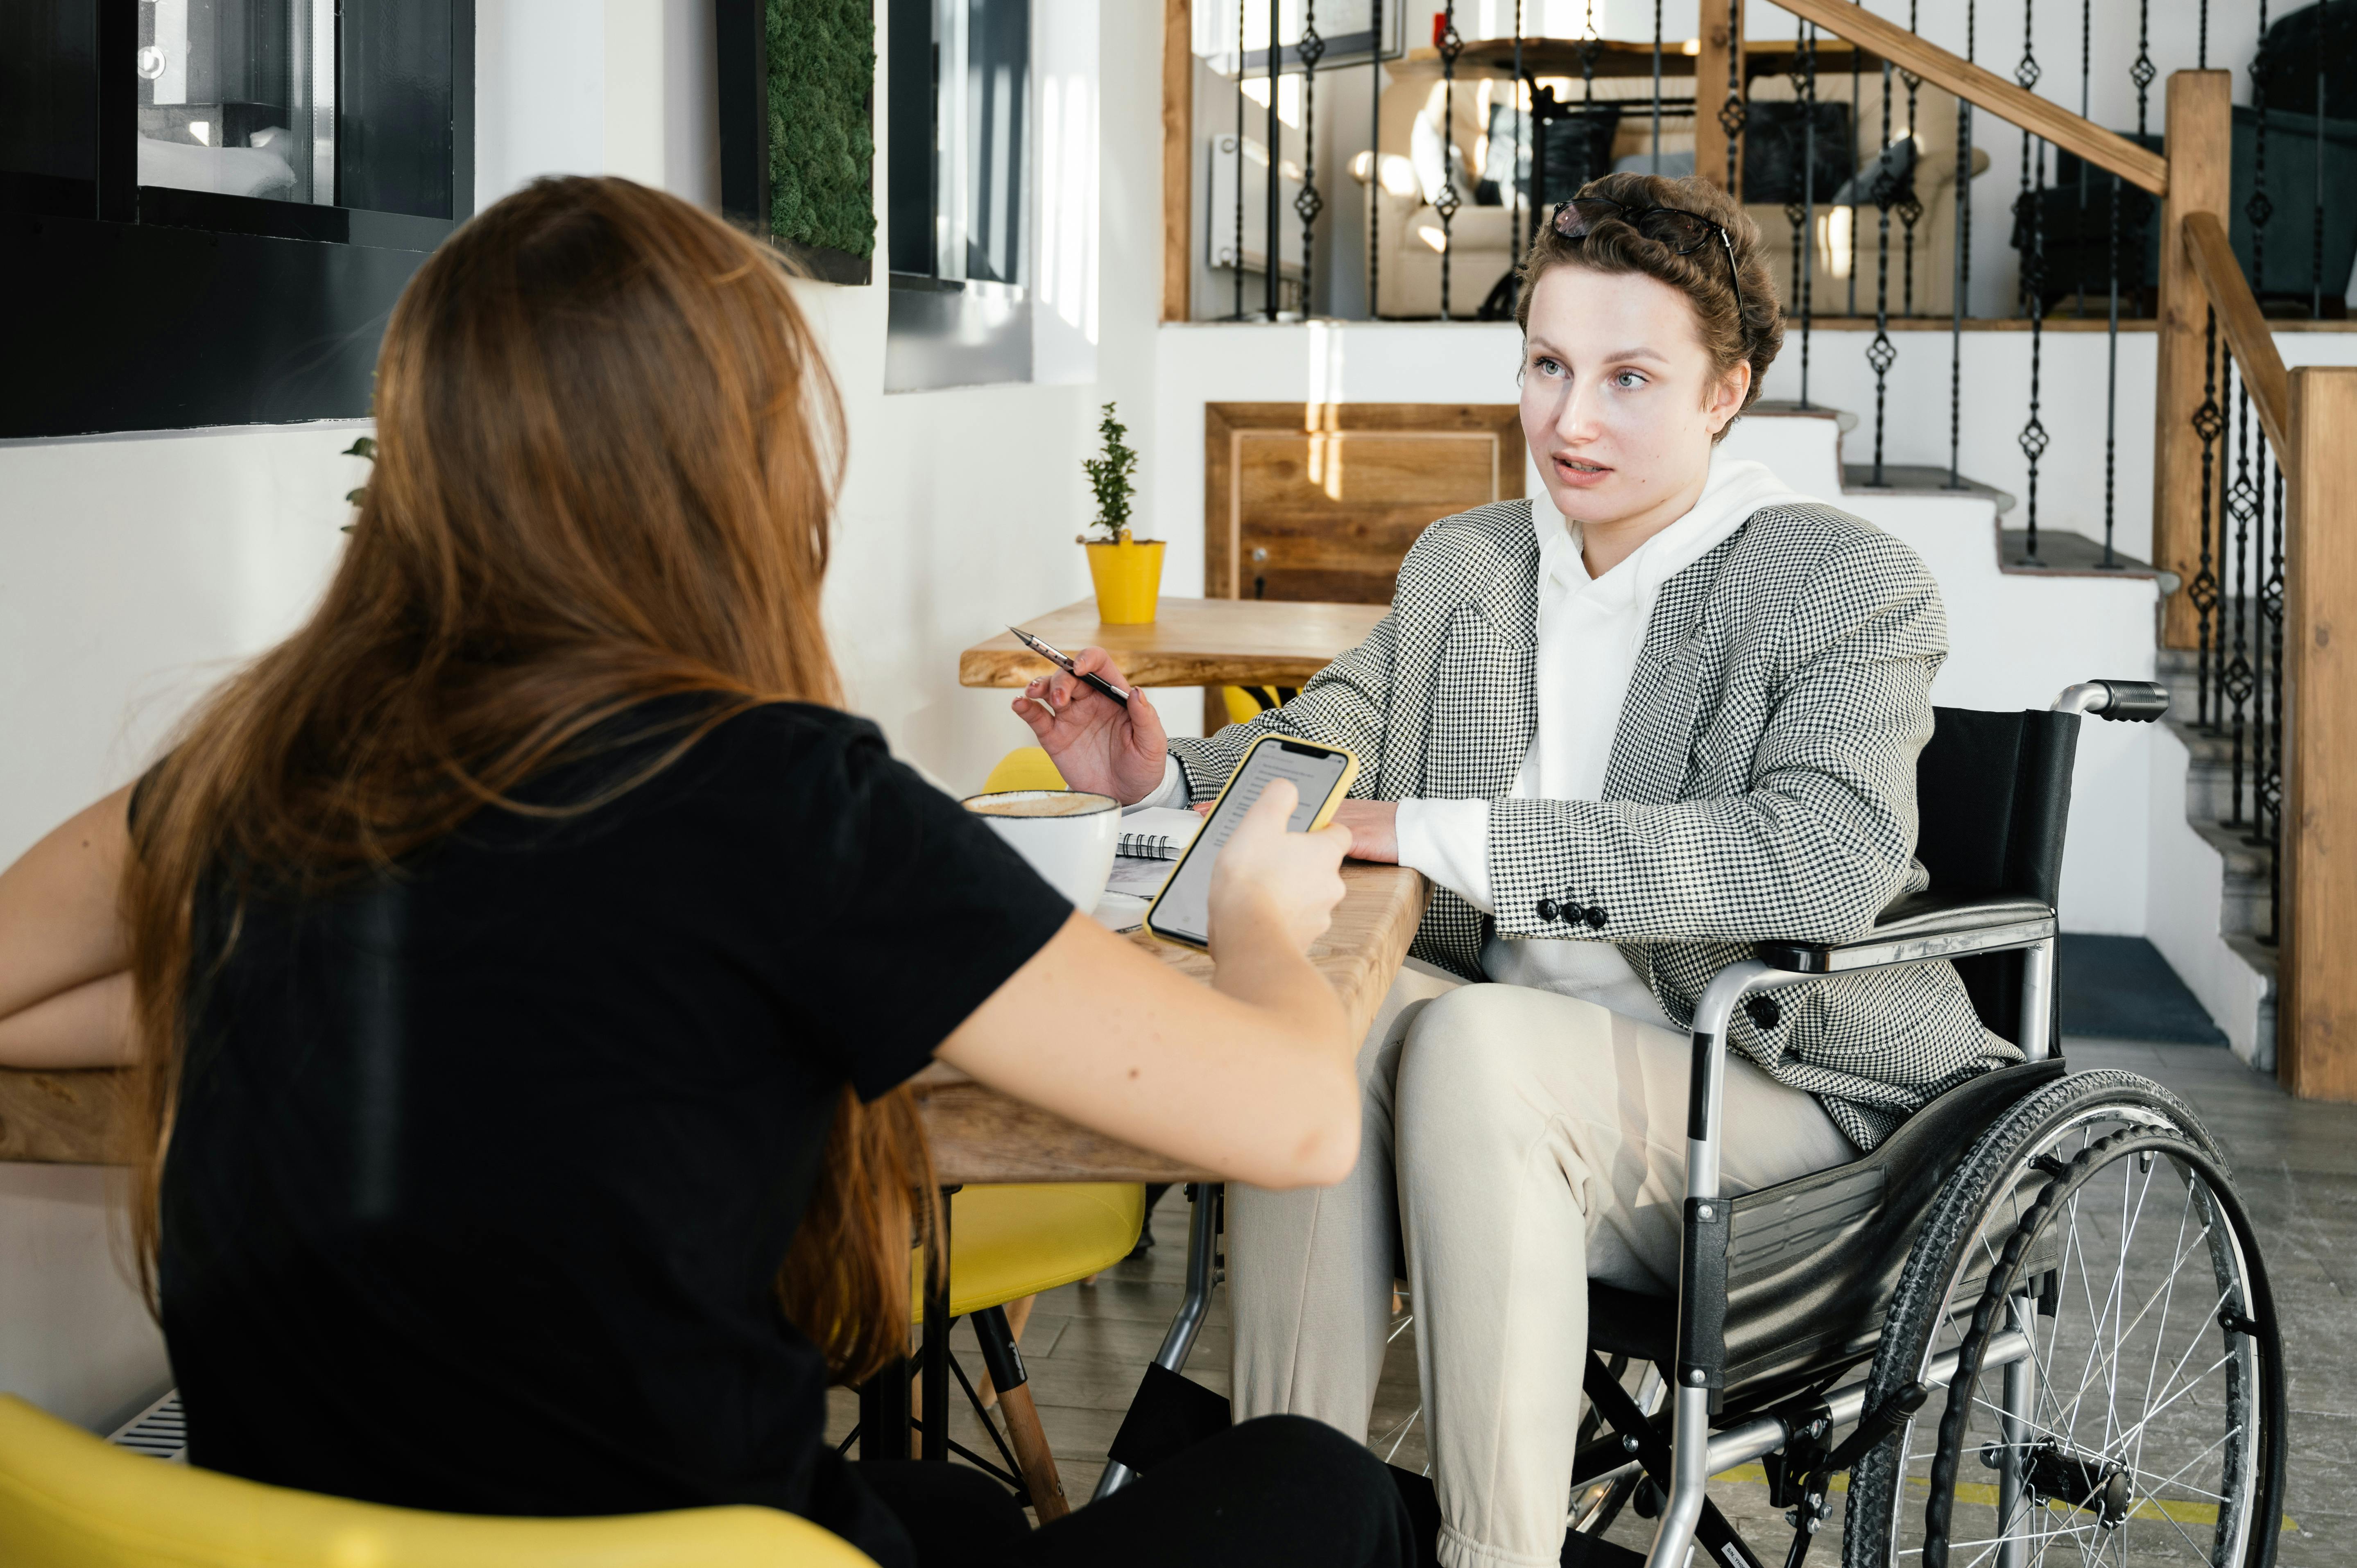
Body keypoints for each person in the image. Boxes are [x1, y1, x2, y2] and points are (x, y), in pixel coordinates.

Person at [0, 176, 1412, 1568]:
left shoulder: (259, 759)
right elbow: (1297, 1124)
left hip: (306, 1545)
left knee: (953, 1515)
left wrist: (323, 980)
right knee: (1316, 1489)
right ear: (739, 471)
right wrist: (1257, 920)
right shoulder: (788, 804)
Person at [1019, 171, 2019, 1568]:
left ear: (1723, 393)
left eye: (1628, 377)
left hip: (1787, 1096)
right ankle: (1287, 1537)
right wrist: (1154, 774)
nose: (1570, 418)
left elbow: (1817, 863)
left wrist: (1440, 834)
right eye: (1547, 365)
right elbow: (1337, 733)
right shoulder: (1469, 566)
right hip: (1497, 1090)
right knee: (1319, 1036)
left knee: (1476, 1040)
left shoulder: (1841, 583)